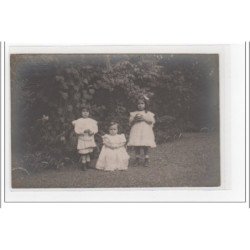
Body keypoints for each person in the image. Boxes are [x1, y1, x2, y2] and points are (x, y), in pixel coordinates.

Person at [127, 98, 156, 167]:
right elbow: (130, 123)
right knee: (137, 144)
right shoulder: (134, 113)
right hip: (136, 130)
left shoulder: (148, 113)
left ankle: (146, 159)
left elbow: (151, 122)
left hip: (145, 131)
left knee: (145, 144)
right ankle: (137, 158)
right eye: (138, 104)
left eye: (142, 103)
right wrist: (135, 119)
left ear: (145, 105)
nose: (140, 105)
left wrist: (144, 119)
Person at [72, 106, 98, 171]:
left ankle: (88, 164)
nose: (85, 113)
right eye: (83, 111)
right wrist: (83, 131)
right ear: (81, 113)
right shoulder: (78, 121)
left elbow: (95, 129)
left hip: (89, 138)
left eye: (87, 112)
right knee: (84, 152)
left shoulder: (92, 121)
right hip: (82, 138)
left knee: (88, 152)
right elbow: (77, 130)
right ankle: (83, 165)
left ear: (89, 113)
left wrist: (92, 132)